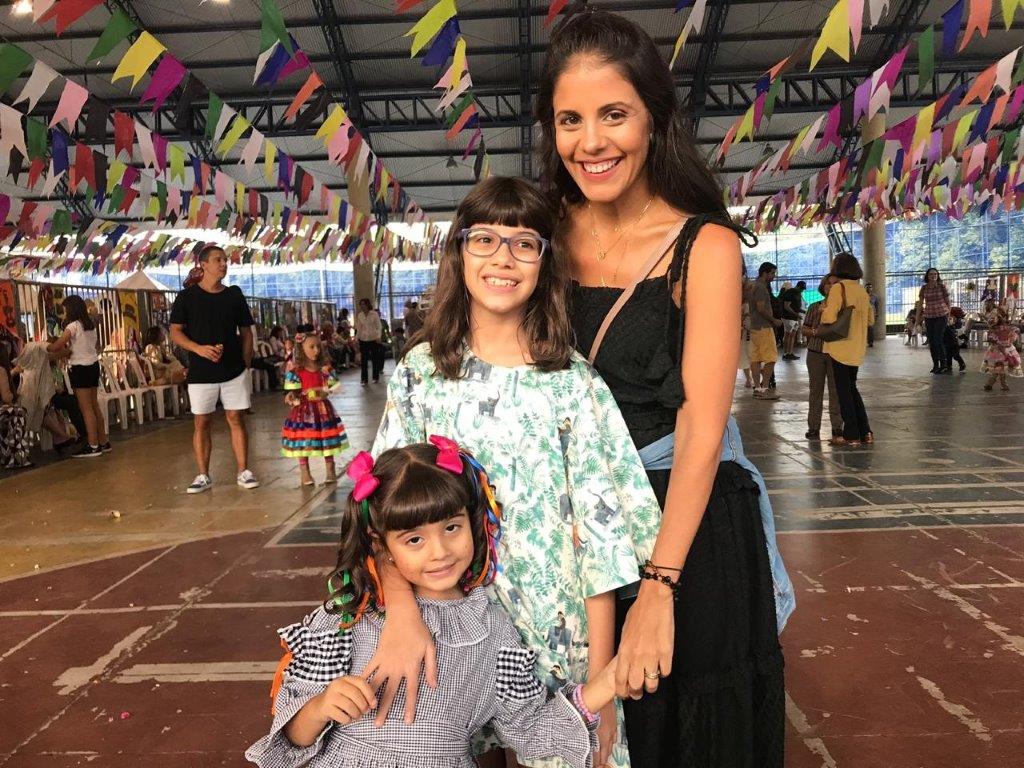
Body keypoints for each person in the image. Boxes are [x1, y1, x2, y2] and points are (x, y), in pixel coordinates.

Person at [541, 11, 791, 767]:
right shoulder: (539, 235)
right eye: (571, 120)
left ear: (654, 117)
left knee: (680, 735)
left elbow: (702, 428)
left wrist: (658, 588)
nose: (591, 142)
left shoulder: (703, 245)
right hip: (569, 530)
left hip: (682, 531)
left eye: (614, 115)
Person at [372, 177, 663, 768]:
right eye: (485, 239)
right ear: (459, 253)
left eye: (524, 243)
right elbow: (382, 513)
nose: (503, 258)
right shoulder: (421, 375)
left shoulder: (573, 384)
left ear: (544, 262)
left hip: (559, 637)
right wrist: (400, 615)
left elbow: (602, 540)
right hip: (446, 631)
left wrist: (601, 685)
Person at [246, 441, 618, 768]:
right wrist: (320, 707)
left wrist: (609, 681)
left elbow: (531, 729)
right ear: (381, 543)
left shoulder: (494, 632)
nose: (439, 551)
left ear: (473, 522)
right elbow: (291, 739)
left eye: (451, 528)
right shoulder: (351, 618)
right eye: (414, 540)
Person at [169, 244, 260, 494]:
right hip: (201, 371)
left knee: (235, 417)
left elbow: (246, 332)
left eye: (225, 260)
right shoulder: (187, 297)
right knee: (202, 421)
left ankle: (243, 470)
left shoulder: (234, 295)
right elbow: (175, 332)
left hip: (233, 369)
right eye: (218, 260)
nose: (223, 264)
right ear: (204, 264)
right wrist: (198, 349)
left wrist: (246, 364)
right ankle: (202, 474)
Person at [818, 252, 873, 447]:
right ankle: (865, 431)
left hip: (839, 348)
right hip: (857, 348)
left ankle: (851, 434)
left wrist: (823, 309)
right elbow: (870, 320)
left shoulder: (837, 288)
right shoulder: (861, 291)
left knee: (844, 392)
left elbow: (828, 318)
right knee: (852, 388)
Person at [281, 333, 348, 487]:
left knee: (326, 437)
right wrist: (291, 395)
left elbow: (335, 387)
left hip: (322, 409)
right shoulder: (296, 371)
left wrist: (327, 391)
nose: (316, 350)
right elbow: (293, 391)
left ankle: (330, 468)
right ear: (301, 348)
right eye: (311, 347)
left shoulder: (325, 369)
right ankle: (304, 470)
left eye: (318, 346)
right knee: (303, 439)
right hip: (303, 411)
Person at [48, 295, 109, 458]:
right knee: (94, 406)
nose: (64, 313)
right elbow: (92, 347)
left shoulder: (73, 326)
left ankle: (93, 445)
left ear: (71, 309)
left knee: (85, 408)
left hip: (80, 369)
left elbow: (57, 345)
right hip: (93, 366)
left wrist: (45, 347)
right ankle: (103, 442)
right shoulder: (90, 325)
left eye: (65, 310)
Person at [801, 275, 843, 441]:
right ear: (822, 287)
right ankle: (813, 427)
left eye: (834, 284)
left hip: (835, 353)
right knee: (815, 391)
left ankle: (837, 427)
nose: (830, 287)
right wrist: (816, 332)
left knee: (835, 391)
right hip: (815, 353)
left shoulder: (842, 309)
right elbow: (804, 329)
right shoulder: (814, 307)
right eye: (828, 284)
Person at [748, 262, 783, 399]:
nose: (774, 276)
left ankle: (757, 388)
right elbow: (761, 308)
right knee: (771, 358)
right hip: (764, 327)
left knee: (755, 359)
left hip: (755, 327)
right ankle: (764, 389)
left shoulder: (753, 286)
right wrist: (774, 320)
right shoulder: (761, 288)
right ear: (765, 273)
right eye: (772, 273)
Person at [914, 268, 952, 374]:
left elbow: (948, 302)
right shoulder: (924, 288)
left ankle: (944, 365)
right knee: (931, 341)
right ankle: (935, 364)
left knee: (938, 339)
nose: (933, 276)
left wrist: (948, 315)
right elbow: (920, 304)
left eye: (935, 274)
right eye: (931, 274)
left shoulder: (942, 287)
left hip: (941, 315)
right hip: (929, 316)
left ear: (938, 275)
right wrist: (917, 320)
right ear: (927, 276)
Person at [0, 342, 31, 468]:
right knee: (18, 413)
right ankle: (17, 457)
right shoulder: (1, 370)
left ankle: (7, 455)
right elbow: (6, 397)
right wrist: (15, 395)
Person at [981, 308, 1022, 392]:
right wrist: (1008, 341)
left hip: (998, 350)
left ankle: (991, 384)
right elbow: (1015, 334)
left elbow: (990, 338)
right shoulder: (1008, 328)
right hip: (1005, 349)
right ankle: (1000, 384)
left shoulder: (996, 329)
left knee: (999, 367)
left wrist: (999, 341)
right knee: (1000, 368)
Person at [355, 299, 385, 386]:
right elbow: (359, 328)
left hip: (373, 339)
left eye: (364, 304)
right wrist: (356, 339)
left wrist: (378, 336)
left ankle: (375, 377)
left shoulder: (374, 314)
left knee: (375, 359)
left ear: (368, 305)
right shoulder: (360, 315)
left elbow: (379, 326)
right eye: (361, 305)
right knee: (364, 360)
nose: (362, 306)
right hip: (363, 339)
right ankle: (364, 379)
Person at [779, 280, 805, 360]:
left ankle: (789, 353)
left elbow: (795, 306)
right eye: (801, 289)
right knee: (788, 335)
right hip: (788, 317)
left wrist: (802, 311)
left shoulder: (797, 293)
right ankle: (786, 353)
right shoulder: (790, 292)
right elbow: (787, 306)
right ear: (798, 286)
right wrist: (796, 314)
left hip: (794, 317)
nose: (802, 290)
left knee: (791, 335)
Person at [865, 282, 880, 347]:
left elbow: (876, 305)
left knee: (871, 328)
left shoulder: (875, 296)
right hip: (864, 313)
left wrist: (877, 313)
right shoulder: (862, 295)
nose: (869, 288)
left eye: (870, 287)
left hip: (872, 314)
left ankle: (870, 342)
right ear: (865, 288)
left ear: (872, 288)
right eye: (867, 287)